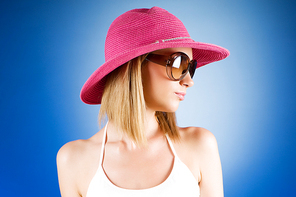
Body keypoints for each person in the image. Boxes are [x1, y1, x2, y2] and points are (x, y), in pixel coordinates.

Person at [57, 6, 229, 197]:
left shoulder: (200, 145)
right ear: (133, 67)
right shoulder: (72, 159)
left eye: (191, 67)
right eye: (179, 64)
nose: (189, 81)